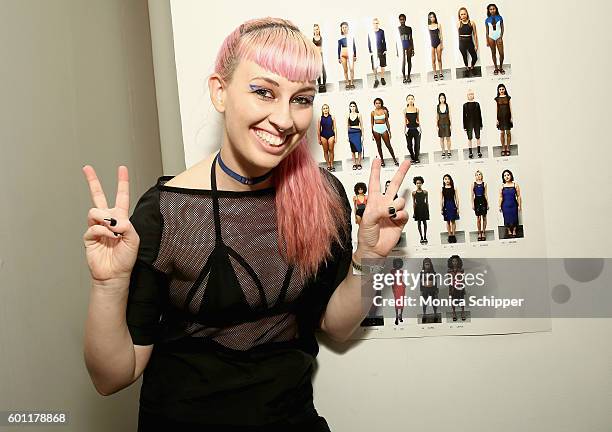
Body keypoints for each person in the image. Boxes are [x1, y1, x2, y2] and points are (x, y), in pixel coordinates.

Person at [81, 17, 411, 432]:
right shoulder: (167, 212)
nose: (285, 119)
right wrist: (108, 285)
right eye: (263, 92)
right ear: (220, 92)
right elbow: (112, 376)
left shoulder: (322, 197)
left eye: (301, 99)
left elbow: (337, 326)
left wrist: (369, 258)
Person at [371, 97, 399, 167]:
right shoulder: (372, 113)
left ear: (381, 103)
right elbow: (372, 123)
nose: (378, 104)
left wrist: (389, 131)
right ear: (374, 104)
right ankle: (382, 161)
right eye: (376, 103)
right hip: (376, 129)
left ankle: (394, 159)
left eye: (379, 103)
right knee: (378, 145)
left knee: (388, 145)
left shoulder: (384, 111)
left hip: (383, 128)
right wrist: (372, 133)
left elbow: (387, 121)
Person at [499, 169, 522, 238]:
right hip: (505, 205)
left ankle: (514, 230)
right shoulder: (502, 186)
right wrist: (499, 206)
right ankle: (509, 230)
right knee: (506, 218)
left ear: (511, 175)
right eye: (505, 175)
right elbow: (500, 197)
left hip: (514, 205)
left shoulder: (515, 185)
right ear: (503, 177)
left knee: (515, 218)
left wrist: (519, 205)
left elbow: (518, 196)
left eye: (508, 175)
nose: (506, 177)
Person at [457, 7, 479, 77]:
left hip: (469, 42)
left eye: (464, 14)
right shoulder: (458, 24)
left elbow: (475, 34)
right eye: (461, 14)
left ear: (467, 14)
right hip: (461, 43)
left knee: (475, 57)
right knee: (464, 56)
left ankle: (472, 66)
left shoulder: (472, 23)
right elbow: (458, 35)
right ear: (459, 15)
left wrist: (476, 44)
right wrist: (459, 45)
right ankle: (466, 67)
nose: (463, 16)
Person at [485, 3, 505, 75]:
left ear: (496, 9)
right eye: (490, 9)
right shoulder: (487, 20)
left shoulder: (500, 17)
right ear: (489, 10)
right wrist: (487, 40)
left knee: (501, 54)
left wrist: (501, 36)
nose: (492, 10)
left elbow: (502, 28)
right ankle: (496, 68)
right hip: (491, 38)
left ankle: (501, 67)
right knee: (493, 53)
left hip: (498, 37)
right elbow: (487, 31)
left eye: (493, 9)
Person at [368, 17, 388, 88]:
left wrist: (385, 49)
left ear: (378, 23)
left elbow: (384, 40)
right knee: (374, 66)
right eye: (374, 23)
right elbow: (369, 42)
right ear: (372, 24)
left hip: (381, 50)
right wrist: (370, 51)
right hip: (374, 51)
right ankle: (376, 80)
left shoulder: (381, 31)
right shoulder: (370, 32)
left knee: (382, 65)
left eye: (377, 23)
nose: (375, 24)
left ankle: (382, 78)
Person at [463, 89, 483, 158]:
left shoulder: (477, 104)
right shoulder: (465, 105)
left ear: (473, 95)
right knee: (469, 138)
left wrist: (481, 124)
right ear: (467, 96)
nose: (470, 95)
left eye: (472, 94)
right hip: (468, 124)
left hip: (477, 123)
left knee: (478, 137)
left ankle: (479, 151)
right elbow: (464, 117)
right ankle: (470, 152)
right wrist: (465, 126)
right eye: (469, 94)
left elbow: (480, 115)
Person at [338, 21, 357, 90]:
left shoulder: (351, 36)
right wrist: (338, 57)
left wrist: (355, 55)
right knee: (345, 70)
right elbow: (338, 48)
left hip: (351, 54)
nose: (344, 28)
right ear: (341, 29)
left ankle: (352, 83)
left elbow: (354, 46)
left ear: (348, 28)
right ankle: (347, 83)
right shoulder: (340, 37)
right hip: (343, 55)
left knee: (351, 69)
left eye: (345, 27)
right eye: (343, 27)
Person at [318, 104, 337, 171]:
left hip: (331, 135)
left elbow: (335, 128)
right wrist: (319, 139)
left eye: (326, 108)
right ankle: (328, 164)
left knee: (331, 150)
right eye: (324, 108)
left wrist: (336, 137)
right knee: (325, 151)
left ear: (328, 109)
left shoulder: (332, 117)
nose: (325, 109)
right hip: (323, 136)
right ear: (322, 110)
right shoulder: (320, 118)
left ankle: (332, 164)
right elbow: (318, 129)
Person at [495, 83, 513, 156]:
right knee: (502, 133)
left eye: (502, 89)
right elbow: (496, 109)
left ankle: (508, 148)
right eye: (500, 89)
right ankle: (503, 148)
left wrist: (511, 117)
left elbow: (510, 107)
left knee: (508, 132)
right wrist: (496, 119)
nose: (501, 90)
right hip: (500, 117)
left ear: (505, 89)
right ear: (498, 90)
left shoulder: (508, 97)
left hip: (507, 117)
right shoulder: (497, 98)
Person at [441, 174, 459, 243]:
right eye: (445, 179)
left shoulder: (454, 188)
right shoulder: (442, 189)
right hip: (446, 205)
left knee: (453, 221)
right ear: (443, 180)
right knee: (447, 221)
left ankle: (453, 235)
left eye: (448, 179)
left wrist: (458, 207)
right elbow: (441, 199)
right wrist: (441, 208)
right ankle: (449, 235)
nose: (447, 180)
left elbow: (457, 198)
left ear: (450, 180)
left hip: (452, 204)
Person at [471, 170, 489, 241]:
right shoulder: (473, 184)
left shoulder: (484, 184)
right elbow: (472, 195)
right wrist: (472, 204)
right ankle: (479, 232)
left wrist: (487, 203)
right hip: (477, 201)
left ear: (482, 176)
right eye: (477, 175)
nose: (478, 176)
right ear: (475, 176)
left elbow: (486, 194)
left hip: (483, 200)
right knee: (478, 218)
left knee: (484, 217)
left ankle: (483, 232)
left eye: (479, 174)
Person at [447, 255, 466, 321]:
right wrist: (450, 287)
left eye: (456, 261)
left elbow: (463, 279)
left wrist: (463, 286)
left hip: (460, 286)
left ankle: (462, 312)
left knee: (462, 300)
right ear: (451, 262)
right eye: (453, 261)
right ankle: (454, 312)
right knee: (453, 300)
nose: (454, 262)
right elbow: (449, 279)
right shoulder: (449, 270)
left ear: (458, 262)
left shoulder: (461, 270)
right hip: (452, 287)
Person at [403, 94, 421, 163]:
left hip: (416, 129)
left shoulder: (417, 109)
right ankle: (412, 157)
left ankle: (416, 158)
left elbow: (418, 120)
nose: (410, 100)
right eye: (409, 99)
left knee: (417, 145)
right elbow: (405, 121)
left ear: (414, 100)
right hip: (409, 130)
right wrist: (404, 130)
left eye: (412, 99)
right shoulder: (405, 110)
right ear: (407, 101)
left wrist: (420, 128)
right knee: (409, 146)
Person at [397, 14, 415, 83]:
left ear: (405, 19)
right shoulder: (398, 29)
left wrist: (413, 48)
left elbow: (411, 38)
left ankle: (409, 76)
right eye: (401, 19)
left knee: (409, 61)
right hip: (401, 47)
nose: (402, 21)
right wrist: (397, 50)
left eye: (403, 19)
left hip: (408, 46)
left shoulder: (409, 28)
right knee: (403, 62)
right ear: (399, 20)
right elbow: (397, 41)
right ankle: (404, 77)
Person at [412, 176, 430, 245]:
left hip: (424, 208)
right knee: (419, 223)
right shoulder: (413, 193)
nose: (418, 184)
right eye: (417, 183)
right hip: (417, 209)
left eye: (420, 183)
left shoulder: (425, 192)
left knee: (425, 223)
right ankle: (421, 237)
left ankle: (425, 236)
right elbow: (414, 203)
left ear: (422, 183)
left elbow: (427, 202)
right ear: (415, 184)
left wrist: (428, 211)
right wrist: (414, 212)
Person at [427, 12, 444, 80]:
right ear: (429, 18)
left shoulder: (438, 25)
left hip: (438, 43)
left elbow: (441, 35)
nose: (432, 18)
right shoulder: (428, 26)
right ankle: (435, 73)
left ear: (435, 17)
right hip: (432, 44)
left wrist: (442, 44)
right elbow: (429, 36)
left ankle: (441, 72)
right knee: (433, 60)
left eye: (433, 17)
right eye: (431, 17)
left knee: (439, 59)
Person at [347, 101, 364, 170]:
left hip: (357, 133)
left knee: (359, 149)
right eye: (351, 106)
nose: (352, 107)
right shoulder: (348, 115)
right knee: (353, 149)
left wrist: (363, 136)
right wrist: (347, 136)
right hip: (351, 133)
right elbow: (347, 126)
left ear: (356, 107)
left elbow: (362, 126)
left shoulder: (359, 114)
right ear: (349, 107)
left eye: (354, 106)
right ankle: (354, 164)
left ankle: (359, 163)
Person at [437, 93, 452, 159]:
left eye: (443, 98)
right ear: (439, 99)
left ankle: (449, 151)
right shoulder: (437, 106)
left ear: (445, 98)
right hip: (440, 124)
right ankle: (443, 151)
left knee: (448, 138)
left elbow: (450, 115)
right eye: (441, 98)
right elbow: (437, 116)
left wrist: (451, 125)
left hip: (447, 123)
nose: (442, 99)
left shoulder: (447, 105)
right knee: (441, 139)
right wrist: (436, 126)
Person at [312, 24, 327, 93]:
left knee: (323, 70)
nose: (316, 30)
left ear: (319, 29)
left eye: (317, 29)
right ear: (313, 30)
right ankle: (319, 85)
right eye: (315, 29)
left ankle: (323, 84)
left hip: (321, 55)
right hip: (316, 55)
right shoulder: (312, 38)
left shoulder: (321, 37)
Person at [391, 258, 405, 325]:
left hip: (401, 287)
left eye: (399, 263)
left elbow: (401, 279)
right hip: (395, 287)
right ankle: (396, 317)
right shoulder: (392, 271)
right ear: (395, 263)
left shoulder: (401, 271)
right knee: (397, 302)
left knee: (402, 302)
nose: (398, 264)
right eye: (396, 263)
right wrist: (393, 287)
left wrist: (404, 284)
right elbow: (392, 280)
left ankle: (401, 316)